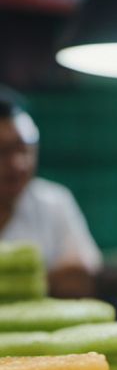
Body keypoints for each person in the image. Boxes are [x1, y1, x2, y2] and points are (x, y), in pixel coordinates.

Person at [0, 92, 101, 297]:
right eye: (3, 151)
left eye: (24, 149)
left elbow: (80, 275)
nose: (17, 164)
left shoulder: (54, 201)